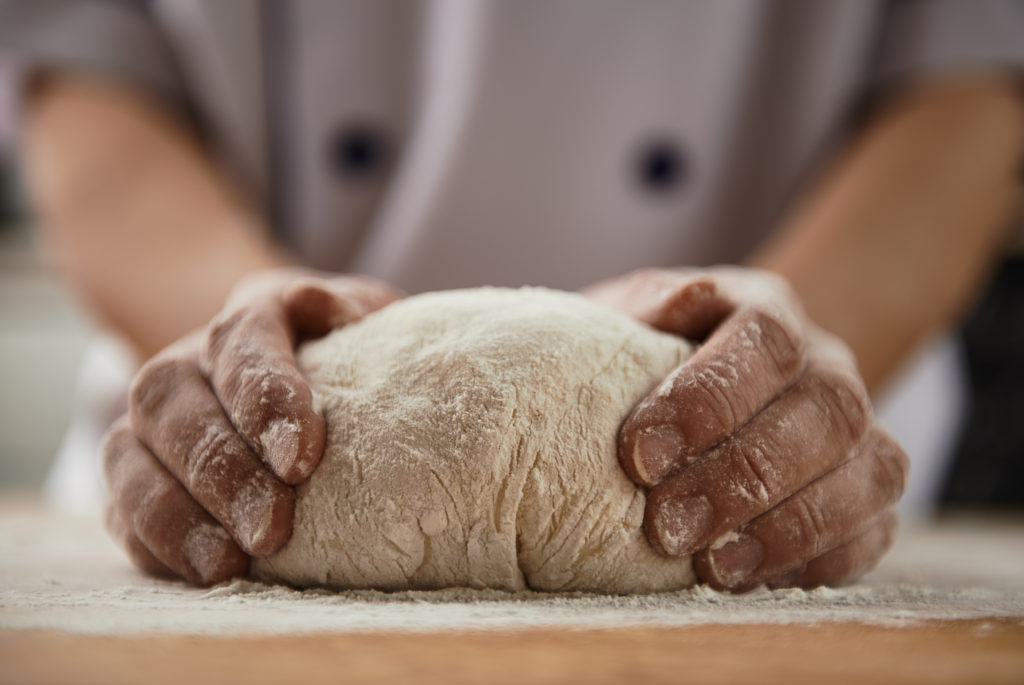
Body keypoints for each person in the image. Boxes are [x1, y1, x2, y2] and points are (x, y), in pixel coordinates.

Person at [1, 0, 1022, 589]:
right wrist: (238, 335)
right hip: (229, 480)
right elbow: (91, 62)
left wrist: (781, 368)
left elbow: (966, 79)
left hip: (762, 509)